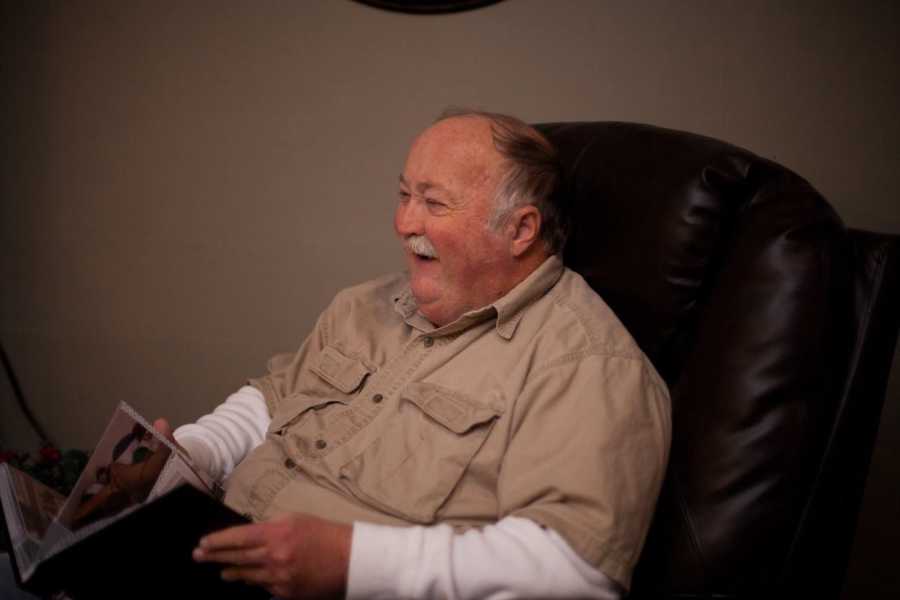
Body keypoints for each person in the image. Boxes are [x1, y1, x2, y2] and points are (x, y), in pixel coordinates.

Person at [2, 109, 670, 600]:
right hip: (207, 550)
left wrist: (355, 563)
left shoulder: (587, 365)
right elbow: (271, 398)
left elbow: (574, 571)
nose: (404, 222)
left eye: (433, 203)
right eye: (404, 194)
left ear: (520, 230)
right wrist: (186, 460)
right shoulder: (363, 305)